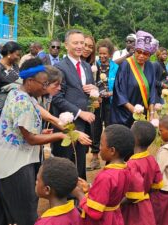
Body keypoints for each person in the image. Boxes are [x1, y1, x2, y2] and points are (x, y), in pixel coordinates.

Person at [0, 59, 68, 225]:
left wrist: (41, 131)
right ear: (30, 81)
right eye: (44, 83)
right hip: (15, 165)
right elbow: (31, 139)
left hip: (2, 162)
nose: (46, 87)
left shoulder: (18, 93)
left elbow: (22, 129)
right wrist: (59, 136)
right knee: (26, 214)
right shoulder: (24, 102)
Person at [51, 29, 96, 180]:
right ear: (66, 45)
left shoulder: (87, 67)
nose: (79, 46)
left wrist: (94, 91)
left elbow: (88, 91)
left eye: (82, 43)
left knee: (80, 162)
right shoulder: (59, 67)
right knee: (65, 164)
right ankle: (66, 198)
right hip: (67, 124)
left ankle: (79, 197)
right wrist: (79, 112)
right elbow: (57, 97)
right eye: (75, 43)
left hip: (84, 123)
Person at [73, 124, 135, 225]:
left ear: (112, 151)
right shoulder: (126, 169)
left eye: (101, 145)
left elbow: (95, 212)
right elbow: (110, 193)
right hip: (115, 217)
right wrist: (90, 188)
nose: (100, 148)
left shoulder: (106, 177)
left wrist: (79, 194)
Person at [111, 30, 158, 127]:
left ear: (149, 55)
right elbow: (118, 90)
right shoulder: (126, 65)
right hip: (125, 114)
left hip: (142, 112)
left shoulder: (150, 66)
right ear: (134, 50)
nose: (141, 56)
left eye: (145, 54)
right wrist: (134, 110)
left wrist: (152, 113)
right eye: (139, 52)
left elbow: (152, 89)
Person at [121, 121, 163, 225]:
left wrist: (117, 204)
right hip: (147, 206)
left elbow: (132, 196)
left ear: (134, 139)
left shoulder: (132, 164)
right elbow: (157, 185)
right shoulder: (151, 159)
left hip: (134, 210)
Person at [88, 38, 119, 171]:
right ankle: (95, 157)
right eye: (100, 53)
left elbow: (119, 86)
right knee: (95, 129)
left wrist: (111, 93)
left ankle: (110, 158)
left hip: (110, 103)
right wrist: (95, 95)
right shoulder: (93, 66)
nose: (102, 56)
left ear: (110, 54)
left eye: (105, 54)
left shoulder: (116, 68)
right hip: (95, 102)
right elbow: (89, 82)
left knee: (109, 128)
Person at [34, 157, 81, 225]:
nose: (36, 182)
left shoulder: (44, 223)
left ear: (47, 190)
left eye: (38, 180)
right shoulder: (77, 213)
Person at [0, 41, 21, 109]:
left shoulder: (15, 65)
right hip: (3, 106)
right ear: (9, 53)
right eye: (17, 55)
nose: (18, 57)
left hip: (16, 104)